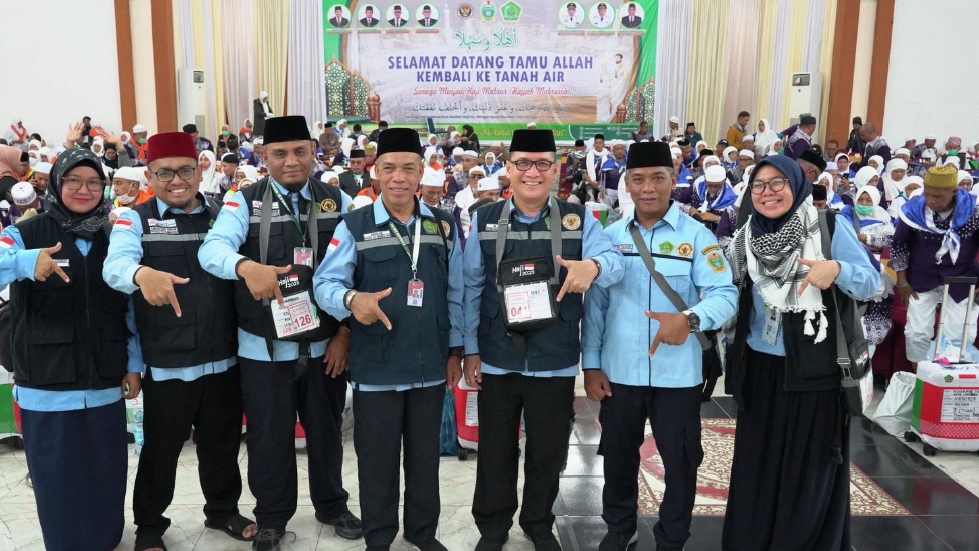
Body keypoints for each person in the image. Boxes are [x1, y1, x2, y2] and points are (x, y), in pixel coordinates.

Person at [198, 116, 360, 551]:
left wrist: (345, 332)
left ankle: (332, 506)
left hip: (325, 345)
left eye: (300, 151)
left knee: (326, 433)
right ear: (264, 156)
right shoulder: (243, 201)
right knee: (268, 438)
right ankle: (271, 517)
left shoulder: (338, 201)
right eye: (280, 153)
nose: (291, 161)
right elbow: (211, 250)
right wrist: (244, 265)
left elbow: (357, 269)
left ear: (314, 152)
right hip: (263, 349)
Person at [462, 128, 624, 551]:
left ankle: (537, 522)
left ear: (555, 170)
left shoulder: (578, 218)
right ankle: (493, 526)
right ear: (508, 169)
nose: (532, 172)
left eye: (542, 164)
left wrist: (594, 265)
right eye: (522, 163)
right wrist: (470, 349)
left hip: (554, 356)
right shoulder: (484, 219)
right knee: (496, 449)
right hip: (497, 355)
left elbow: (615, 261)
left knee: (548, 450)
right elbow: (469, 287)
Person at [102, 132, 256, 551]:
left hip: (224, 357)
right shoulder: (135, 219)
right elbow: (114, 266)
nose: (176, 181)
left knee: (222, 444)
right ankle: (150, 526)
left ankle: (222, 510)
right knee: (161, 450)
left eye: (185, 170)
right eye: (164, 173)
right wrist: (140, 274)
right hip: (168, 362)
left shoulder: (222, 214)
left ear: (199, 171)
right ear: (149, 176)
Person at [313, 127, 463, 551]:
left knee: (424, 460)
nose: (399, 177)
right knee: (377, 462)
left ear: (422, 172)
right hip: (376, 366)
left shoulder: (442, 225)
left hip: (429, 365)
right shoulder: (354, 225)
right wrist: (351, 299)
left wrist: (456, 350)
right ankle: (378, 537)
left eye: (409, 168)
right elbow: (324, 283)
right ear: (375, 171)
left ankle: (422, 533)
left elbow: (457, 292)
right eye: (390, 168)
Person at [582, 140, 737, 551]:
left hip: (678, 374)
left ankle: (672, 537)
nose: (648, 188)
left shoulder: (697, 237)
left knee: (681, 460)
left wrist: (690, 319)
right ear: (627, 184)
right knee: (618, 455)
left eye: (657, 178)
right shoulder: (609, 239)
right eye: (638, 179)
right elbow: (596, 307)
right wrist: (591, 364)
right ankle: (620, 526)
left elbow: (725, 294)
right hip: (619, 372)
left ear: (673, 180)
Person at [722, 155, 879, 551]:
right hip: (759, 369)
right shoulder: (745, 237)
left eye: (778, 183)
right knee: (757, 467)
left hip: (815, 372)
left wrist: (837, 269)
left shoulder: (827, 226)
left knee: (806, 471)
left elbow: (871, 282)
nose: (768, 192)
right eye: (759, 185)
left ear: (797, 185)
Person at [0, 148, 143, 550]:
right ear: (56, 183)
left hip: (104, 376)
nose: (84, 189)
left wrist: (133, 363)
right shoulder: (26, 232)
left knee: (105, 469)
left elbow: (129, 307)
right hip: (46, 378)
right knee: (57, 475)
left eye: (94, 182)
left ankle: (105, 538)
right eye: (74, 181)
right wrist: (26, 263)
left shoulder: (113, 237)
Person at [891, 165, 979, 370]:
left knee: (959, 335)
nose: (930, 200)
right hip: (921, 277)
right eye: (927, 194)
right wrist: (902, 282)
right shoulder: (913, 210)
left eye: (937, 196)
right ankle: (922, 379)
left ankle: (946, 381)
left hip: (962, 277)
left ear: (954, 192)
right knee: (916, 333)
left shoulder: (973, 210)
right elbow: (899, 246)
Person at [690, 164, 738, 235]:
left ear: (724, 180)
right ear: (705, 179)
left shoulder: (731, 199)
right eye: (710, 185)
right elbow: (678, 202)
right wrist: (691, 209)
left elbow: (736, 224)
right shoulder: (698, 187)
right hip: (694, 230)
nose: (713, 189)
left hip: (717, 235)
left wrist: (717, 218)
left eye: (717, 186)